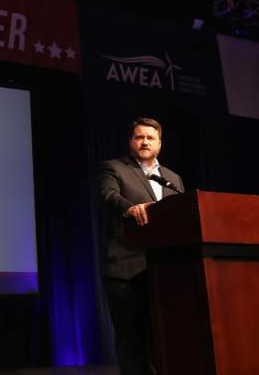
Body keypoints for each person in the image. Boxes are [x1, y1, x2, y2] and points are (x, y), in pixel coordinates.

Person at [96, 117, 184, 375]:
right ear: (131, 141)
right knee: (132, 340)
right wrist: (129, 208)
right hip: (126, 268)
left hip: (165, 271)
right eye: (139, 137)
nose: (144, 141)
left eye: (150, 137)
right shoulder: (114, 168)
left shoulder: (172, 178)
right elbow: (107, 195)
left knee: (162, 339)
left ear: (159, 143)